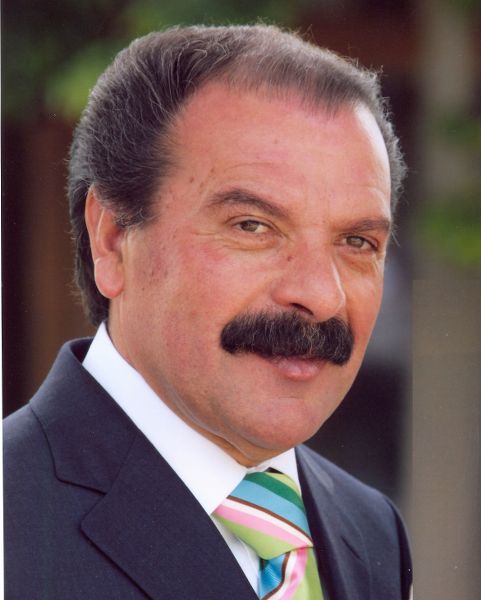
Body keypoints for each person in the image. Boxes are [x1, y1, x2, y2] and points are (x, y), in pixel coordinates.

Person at [4, 24, 412, 600]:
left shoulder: (370, 531)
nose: (321, 296)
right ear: (112, 240)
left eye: (356, 242)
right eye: (253, 226)